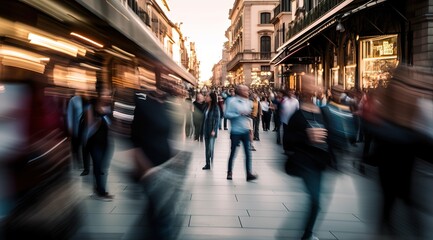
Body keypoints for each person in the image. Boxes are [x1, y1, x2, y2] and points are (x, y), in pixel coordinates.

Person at [284, 100, 329, 240]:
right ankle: (306, 234)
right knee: (315, 200)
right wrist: (306, 136)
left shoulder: (323, 113)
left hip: (320, 161)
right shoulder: (297, 116)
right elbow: (288, 141)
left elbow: (331, 135)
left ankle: (307, 232)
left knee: (317, 202)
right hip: (305, 161)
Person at [83, 89, 114, 201]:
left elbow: (110, 125)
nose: (108, 96)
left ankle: (99, 190)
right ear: (99, 95)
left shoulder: (109, 107)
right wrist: (100, 117)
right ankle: (101, 192)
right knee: (98, 166)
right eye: (105, 94)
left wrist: (106, 115)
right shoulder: (90, 107)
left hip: (106, 142)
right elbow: (90, 126)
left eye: (109, 95)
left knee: (103, 168)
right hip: (94, 142)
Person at [224, 85, 258, 181]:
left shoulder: (248, 102)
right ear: (239, 91)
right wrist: (238, 114)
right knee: (233, 152)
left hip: (245, 130)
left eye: (247, 90)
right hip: (235, 131)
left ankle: (248, 173)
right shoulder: (231, 101)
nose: (248, 92)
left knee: (248, 153)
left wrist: (248, 114)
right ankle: (229, 172)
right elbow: (226, 114)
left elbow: (249, 113)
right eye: (245, 90)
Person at [202, 92, 221, 170]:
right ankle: (207, 164)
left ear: (211, 98)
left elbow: (217, 120)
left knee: (210, 147)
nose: (205, 97)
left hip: (212, 130)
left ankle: (210, 159)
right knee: (207, 147)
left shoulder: (216, 107)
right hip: (206, 129)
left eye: (207, 96)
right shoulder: (206, 107)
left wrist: (214, 130)